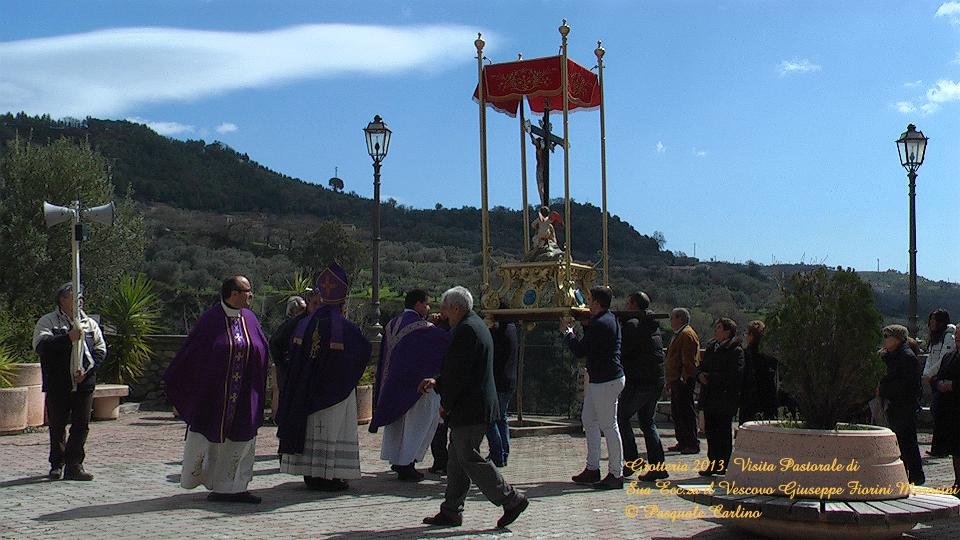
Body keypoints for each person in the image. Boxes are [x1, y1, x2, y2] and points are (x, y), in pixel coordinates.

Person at [419, 286, 528, 529]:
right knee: (456, 460)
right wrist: (439, 381)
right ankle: (451, 511)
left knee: (468, 456)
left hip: (471, 407)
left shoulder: (466, 330)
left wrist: (445, 403)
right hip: (475, 404)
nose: (443, 314)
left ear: (456, 308)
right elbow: (462, 368)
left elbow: (459, 374)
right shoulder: (474, 325)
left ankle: (511, 498)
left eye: (445, 308)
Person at [164, 276, 270, 503]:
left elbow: (262, 347)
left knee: (242, 440)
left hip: (244, 396)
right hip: (216, 396)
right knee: (214, 441)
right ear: (233, 293)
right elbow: (192, 356)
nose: (251, 295)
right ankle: (216, 485)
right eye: (247, 291)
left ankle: (236, 486)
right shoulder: (211, 321)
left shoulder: (250, 318)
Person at [276, 264, 371, 491]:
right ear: (343, 297)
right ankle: (327, 476)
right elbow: (363, 351)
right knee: (330, 431)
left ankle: (310, 474)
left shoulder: (304, 323)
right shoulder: (345, 328)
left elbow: (281, 345)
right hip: (333, 391)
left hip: (305, 390)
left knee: (310, 430)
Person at [370, 289, 450, 482]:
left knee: (398, 425)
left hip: (393, 385)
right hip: (415, 388)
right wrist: (446, 324)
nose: (429, 307)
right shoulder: (422, 328)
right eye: (427, 303)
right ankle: (407, 464)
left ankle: (398, 461)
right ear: (418, 304)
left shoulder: (391, 324)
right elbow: (441, 344)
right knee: (416, 425)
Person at [32, 283, 107, 481]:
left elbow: (100, 350)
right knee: (57, 425)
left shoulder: (89, 324)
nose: (79, 301)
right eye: (75, 297)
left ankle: (75, 464)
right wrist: (68, 338)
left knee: (81, 424)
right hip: (58, 383)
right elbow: (41, 346)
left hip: (84, 384)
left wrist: (87, 371)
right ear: (62, 300)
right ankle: (57, 464)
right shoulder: (47, 322)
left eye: (81, 297)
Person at [563, 286, 626, 490]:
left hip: (605, 380)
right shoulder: (609, 319)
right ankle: (592, 468)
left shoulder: (600, 324)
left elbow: (580, 350)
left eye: (589, 300)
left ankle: (616, 473)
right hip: (603, 378)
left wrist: (568, 333)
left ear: (597, 303)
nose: (587, 303)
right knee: (589, 420)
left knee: (609, 426)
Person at [617, 292, 667, 482]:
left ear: (633, 305)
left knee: (622, 416)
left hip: (640, 381)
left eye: (629, 303)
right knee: (647, 421)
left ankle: (632, 459)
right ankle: (658, 466)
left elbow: (624, 349)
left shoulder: (633, 325)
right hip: (654, 379)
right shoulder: (650, 324)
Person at [878, 324, 925, 485]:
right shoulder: (889, 356)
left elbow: (906, 385)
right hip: (894, 406)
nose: (884, 340)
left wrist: (883, 389)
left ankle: (915, 477)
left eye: (887, 336)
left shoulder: (906, 357)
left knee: (907, 443)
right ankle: (906, 476)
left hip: (904, 406)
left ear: (896, 339)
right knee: (902, 442)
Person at [696, 318, 743, 477]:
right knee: (710, 432)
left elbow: (735, 375)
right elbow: (702, 366)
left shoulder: (736, 351)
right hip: (709, 397)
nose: (715, 331)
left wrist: (712, 377)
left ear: (727, 332)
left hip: (724, 399)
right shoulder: (711, 347)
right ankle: (713, 462)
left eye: (719, 328)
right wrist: (700, 375)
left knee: (722, 433)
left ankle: (723, 464)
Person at [269, 291, 320, 420]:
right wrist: (284, 365)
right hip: (294, 376)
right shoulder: (295, 323)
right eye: (315, 303)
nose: (318, 307)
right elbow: (275, 343)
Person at [666, 308, 701, 454]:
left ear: (679, 318)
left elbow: (689, 359)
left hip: (683, 380)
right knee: (678, 412)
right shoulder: (680, 334)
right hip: (676, 379)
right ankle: (682, 441)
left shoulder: (686, 334)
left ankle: (691, 442)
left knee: (686, 411)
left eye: (673, 318)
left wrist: (683, 377)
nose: (671, 321)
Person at [487, 308, 519, 468]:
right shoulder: (512, 327)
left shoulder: (499, 331)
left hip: (498, 381)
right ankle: (503, 452)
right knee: (502, 417)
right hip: (509, 380)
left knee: (491, 418)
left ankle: (497, 454)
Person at [930, 329, 960, 491]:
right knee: (956, 450)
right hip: (951, 410)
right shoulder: (949, 357)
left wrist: (953, 385)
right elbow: (937, 376)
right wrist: (938, 383)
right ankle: (958, 482)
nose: (958, 339)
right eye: (957, 336)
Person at [923, 310, 955, 456]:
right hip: (935, 379)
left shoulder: (948, 336)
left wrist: (929, 375)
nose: (932, 323)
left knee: (940, 412)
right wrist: (926, 374)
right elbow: (931, 357)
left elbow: (942, 358)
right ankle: (939, 448)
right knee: (937, 412)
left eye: (935, 320)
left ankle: (942, 448)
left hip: (941, 378)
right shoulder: (936, 337)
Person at [738, 320, 779, 424]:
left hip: (750, 402)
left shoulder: (745, 355)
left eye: (746, 333)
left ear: (751, 336)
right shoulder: (770, 355)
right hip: (769, 401)